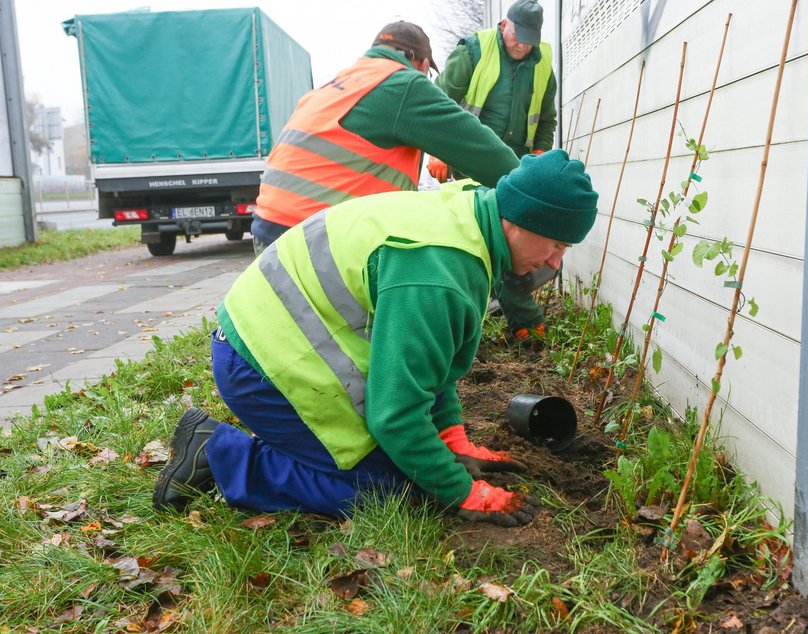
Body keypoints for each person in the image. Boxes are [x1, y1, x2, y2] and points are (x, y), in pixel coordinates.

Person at [153, 150, 599, 528]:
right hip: (261, 365)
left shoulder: (468, 217)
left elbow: (432, 363)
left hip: (277, 339)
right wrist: (460, 492)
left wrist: (451, 438)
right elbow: (396, 416)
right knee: (390, 489)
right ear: (520, 220)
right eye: (557, 245)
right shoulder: (438, 271)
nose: (555, 263)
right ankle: (220, 453)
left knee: (413, 464)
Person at [250, 20, 521, 253]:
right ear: (423, 64)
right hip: (313, 240)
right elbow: (485, 153)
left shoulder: (337, 84)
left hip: (268, 229)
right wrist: (532, 187)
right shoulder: (403, 84)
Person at [430, 0, 558, 343]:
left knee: (510, 236)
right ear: (504, 25)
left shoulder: (542, 63)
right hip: (469, 161)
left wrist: (541, 152)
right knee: (489, 234)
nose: (522, 44)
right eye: (518, 35)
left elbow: (547, 118)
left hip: (515, 167)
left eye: (529, 39)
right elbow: (436, 102)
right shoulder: (474, 51)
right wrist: (437, 150)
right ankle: (523, 321)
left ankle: (500, 311)